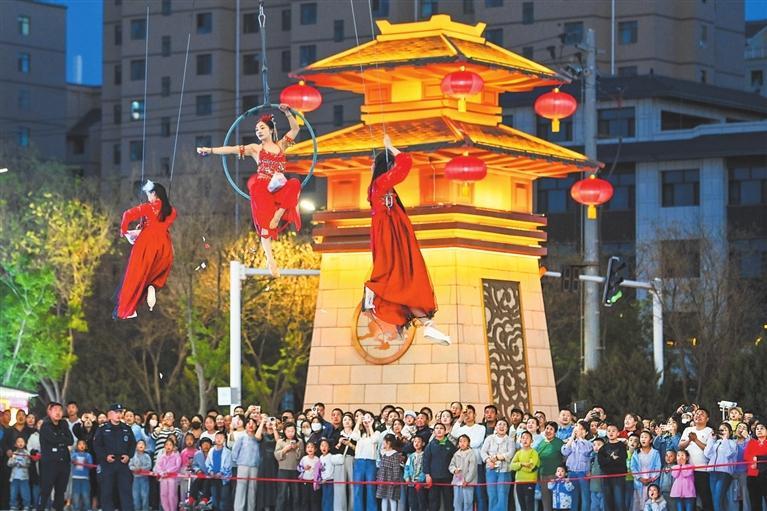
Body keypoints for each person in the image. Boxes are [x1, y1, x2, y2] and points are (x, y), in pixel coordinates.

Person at [362, 134, 450, 345]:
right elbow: (406, 163)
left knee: (403, 284)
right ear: (388, 167)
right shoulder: (381, 184)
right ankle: (370, 298)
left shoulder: (378, 186)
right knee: (398, 280)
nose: (371, 166)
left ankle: (428, 325)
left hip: (388, 237)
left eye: (374, 163)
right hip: (391, 239)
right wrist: (391, 147)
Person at [196, 104, 301, 277]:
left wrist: (287, 113)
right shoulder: (255, 148)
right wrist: (211, 150)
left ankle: (278, 215)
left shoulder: (282, 145)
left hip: (279, 187)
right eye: (256, 130)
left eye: (262, 128)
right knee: (263, 222)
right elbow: (231, 149)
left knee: (295, 183)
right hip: (264, 188)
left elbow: (295, 128)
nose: (258, 131)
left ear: (271, 130)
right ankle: (270, 259)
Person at [115, 180, 177, 319]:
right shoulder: (172, 211)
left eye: (149, 194)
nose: (148, 197)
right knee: (156, 272)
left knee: (136, 274)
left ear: (154, 194)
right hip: (164, 245)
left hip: (147, 244)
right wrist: (144, 224)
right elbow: (160, 223)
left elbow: (127, 215)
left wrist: (123, 230)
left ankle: (128, 309)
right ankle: (152, 286)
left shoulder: (149, 208)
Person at [93, 403, 136, 511]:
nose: (119, 414)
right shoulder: (103, 429)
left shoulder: (126, 428)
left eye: (120, 412)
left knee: (126, 492)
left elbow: (132, 444)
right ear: (110, 414)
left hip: (122, 464)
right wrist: (105, 456)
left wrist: (129, 455)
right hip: (108, 464)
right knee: (106, 492)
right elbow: (97, 445)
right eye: (116, 412)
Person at [38, 402, 75, 511]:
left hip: (64, 463)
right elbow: (53, 439)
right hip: (49, 464)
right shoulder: (45, 426)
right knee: (45, 491)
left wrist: (60, 440)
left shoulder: (64, 424)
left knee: (60, 491)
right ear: (49, 411)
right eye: (55, 410)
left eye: (60, 410)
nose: (58, 412)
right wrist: (62, 440)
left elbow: (71, 440)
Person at [678, 408, 714, 511]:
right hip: (687, 470)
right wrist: (689, 440)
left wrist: (696, 440)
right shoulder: (688, 430)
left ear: (707, 419)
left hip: (703, 470)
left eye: (702, 414)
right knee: (689, 499)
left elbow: (709, 450)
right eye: (697, 413)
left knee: (705, 498)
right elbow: (680, 446)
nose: (698, 415)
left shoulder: (709, 431)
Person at [481, 417, 515, 511]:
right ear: (495, 427)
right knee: (492, 494)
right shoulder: (489, 438)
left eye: (504, 425)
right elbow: (483, 452)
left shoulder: (510, 440)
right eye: (499, 424)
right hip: (490, 470)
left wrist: (498, 457)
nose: (502, 426)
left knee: (502, 495)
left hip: (505, 471)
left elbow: (511, 453)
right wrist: (488, 460)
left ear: (507, 428)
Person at [231, 416, 264, 511]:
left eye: (253, 423)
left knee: (252, 489)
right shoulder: (241, 437)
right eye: (249, 423)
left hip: (255, 466)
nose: (251, 425)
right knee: (241, 488)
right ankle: (238, 509)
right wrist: (236, 462)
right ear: (245, 425)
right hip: (242, 465)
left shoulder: (258, 437)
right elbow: (235, 451)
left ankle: (251, 508)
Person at [351, 412, 381, 511]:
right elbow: (353, 436)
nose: (366, 420)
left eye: (369, 417)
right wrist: (358, 422)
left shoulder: (376, 432)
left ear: (372, 419)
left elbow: (374, 440)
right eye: (364, 418)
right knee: (357, 488)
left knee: (371, 488)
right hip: (359, 462)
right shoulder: (360, 433)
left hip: (370, 462)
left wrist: (370, 426)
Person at [705, 423, 737, 511]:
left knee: (718, 500)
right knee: (715, 500)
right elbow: (707, 454)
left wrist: (725, 439)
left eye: (725, 429)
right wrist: (711, 439)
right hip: (712, 472)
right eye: (721, 429)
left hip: (724, 473)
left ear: (730, 432)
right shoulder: (716, 442)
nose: (722, 431)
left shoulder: (732, 443)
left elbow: (729, 454)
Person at [562, 420, 593, 511]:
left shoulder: (589, 443)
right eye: (577, 428)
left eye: (581, 429)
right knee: (573, 496)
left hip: (583, 472)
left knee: (585, 496)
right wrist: (572, 437)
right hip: (571, 472)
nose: (578, 430)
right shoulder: (571, 442)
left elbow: (585, 451)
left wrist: (580, 438)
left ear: (586, 432)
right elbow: (564, 451)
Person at [598, 423, 628, 511]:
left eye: (613, 431)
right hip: (606, 477)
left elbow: (622, 460)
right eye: (609, 431)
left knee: (619, 500)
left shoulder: (622, 446)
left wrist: (608, 460)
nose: (611, 433)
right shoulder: (603, 448)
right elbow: (601, 462)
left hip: (619, 477)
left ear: (618, 433)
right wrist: (612, 459)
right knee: (608, 501)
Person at [274, 422, 303, 510]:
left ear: (295, 431)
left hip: (295, 470)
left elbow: (301, 456)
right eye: (288, 431)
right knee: (282, 494)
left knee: (296, 494)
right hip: (283, 470)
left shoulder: (299, 441)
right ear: (284, 431)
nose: (290, 433)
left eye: (292, 431)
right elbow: (276, 455)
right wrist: (284, 450)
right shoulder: (280, 441)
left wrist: (296, 448)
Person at [631, 430, 662, 511]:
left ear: (651, 440)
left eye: (645, 437)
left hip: (651, 482)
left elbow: (658, 467)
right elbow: (633, 467)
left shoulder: (655, 453)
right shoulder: (636, 453)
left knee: (651, 503)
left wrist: (650, 479)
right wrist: (640, 478)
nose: (643, 439)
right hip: (639, 482)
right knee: (638, 503)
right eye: (641, 437)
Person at [538, 422, 566, 511]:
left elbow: (565, 457)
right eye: (547, 428)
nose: (548, 431)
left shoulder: (559, 442)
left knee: (556, 500)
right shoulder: (542, 443)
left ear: (555, 432)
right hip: (543, 475)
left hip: (556, 475)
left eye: (551, 429)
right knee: (546, 499)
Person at [512, 430, 541, 511]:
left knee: (529, 503)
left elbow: (531, 468)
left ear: (531, 441)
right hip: (519, 481)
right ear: (520, 440)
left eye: (527, 438)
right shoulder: (518, 453)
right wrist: (522, 464)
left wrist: (519, 466)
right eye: (523, 438)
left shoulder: (534, 453)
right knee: (522, 504)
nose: (525, 440)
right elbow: (512, 466)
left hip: (530, 481)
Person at [449, 434, 478, 511]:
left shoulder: (471, 454)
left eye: (464, 441)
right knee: (457, 502)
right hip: (457, 481)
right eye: (460, 441)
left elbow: (472, 469)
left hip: (468, 483)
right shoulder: (456, 454)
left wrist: (467, 480)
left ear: (468, 443)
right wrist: (454, 470)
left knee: (468, 502)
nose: (462, 443)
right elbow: (451, 465)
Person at [205, 431, 232, 511]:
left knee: (223, 499)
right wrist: (210, 471)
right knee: (214, 498)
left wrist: (221, 473)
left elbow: (228, 465)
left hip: (224, 479)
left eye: (221, 438)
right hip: (213, 478)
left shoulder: (227, 452)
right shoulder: (211, 450)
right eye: (217, 437)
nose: (219, 439)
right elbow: (208, 463)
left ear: (224, 440)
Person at [376, 434, 403, 511]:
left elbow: (396, 469)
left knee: (392, 498)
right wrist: (378, 477)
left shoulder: (395, 454)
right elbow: (381, 467)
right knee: (383, 498)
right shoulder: (383, 453)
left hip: (391, 479)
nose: (383, 444)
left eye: (384, 442)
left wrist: (395, 480)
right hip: (383, 478)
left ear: (389, 443)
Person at [743, 423, 767, 511]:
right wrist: (753, 458)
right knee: (755, 502)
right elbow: (746, 456)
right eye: (757, 429)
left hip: (765, 475)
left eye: (762, 428)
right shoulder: (752, 442)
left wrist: (757, 457)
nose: (759, 430)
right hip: (753, 475)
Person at [155, 439, 181, 511]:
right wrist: (161, 473)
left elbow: (177, 466)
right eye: (166, 445)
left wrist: (168, 471)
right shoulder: (162, 456)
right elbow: (158, 465)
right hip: (163, 478)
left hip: (172, 478)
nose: (168, 446)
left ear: (173, 446)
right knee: (163, 495)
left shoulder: (176, 455)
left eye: (170, 445)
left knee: (172, 495)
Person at [404, 436, 429, 511]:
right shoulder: (411, 456)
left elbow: (426, 468)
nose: (416, 443)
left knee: (421, 502)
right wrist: (406, 477)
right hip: (411, 483)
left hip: (421, 483)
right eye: (415, 441)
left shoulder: (425, 455)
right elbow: (406, 467)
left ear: (423, 443)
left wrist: (420, 479)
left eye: (419, 441)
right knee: (412, 503)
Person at [8, 436, 31, 511]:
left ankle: (26, 506)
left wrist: (22, 464)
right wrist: (14, 462)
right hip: (14, 477)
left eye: (22, 442)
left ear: (25, 443)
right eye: (18, 442)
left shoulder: (27, 453)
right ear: (15, 444)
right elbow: (9, 463)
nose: (20, 443)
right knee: (13, 493)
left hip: (24, 477)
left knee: (25, 493)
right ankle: (13, 505)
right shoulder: (14, 453)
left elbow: (28, 464)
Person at [129, 440, 152, 511]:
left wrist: (141, 469)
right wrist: (134, 469)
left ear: (145, 447)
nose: (141, 445)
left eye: (143, 444)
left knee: (145, 496)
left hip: (144, 478)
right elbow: (130, 465)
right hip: (135, 478)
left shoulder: (147, 456)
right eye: (139, 444)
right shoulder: (133, 456)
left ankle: (145, 509)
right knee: (135, 496)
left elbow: (149, 466)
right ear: (136, 446)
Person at [298, 441, 321, 511]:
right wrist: (304, 468)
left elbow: (320, 471)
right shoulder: (304, 458)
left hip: (314, 482)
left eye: (312, 447)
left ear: (315, 449)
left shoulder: (317, 459)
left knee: (314, 500)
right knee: (305, 499)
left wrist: (318, 480)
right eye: (308, 447)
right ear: (306, 449)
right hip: (305, 481)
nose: (310, 449)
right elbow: (298, 468)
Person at [70, 440, 93, 511]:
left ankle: (87, 508)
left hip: (85, 478)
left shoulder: (88, 455)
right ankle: (76, 508)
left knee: (85, 494)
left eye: (83, 444)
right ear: (77, 446)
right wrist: (74, 461)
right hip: (75, 477)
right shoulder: (74, 454)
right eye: (79, 444)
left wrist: (87, 463)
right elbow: (70, 461)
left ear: (86, 446)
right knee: (76, 494)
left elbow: (91, 466)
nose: (81, 445)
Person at [590, 437, 605, 511]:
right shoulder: (592, 457)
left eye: (599, 445)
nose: (596, 447)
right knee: (594, 506)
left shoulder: (605, 457)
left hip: (603, 487)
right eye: (594, 445)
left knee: (603, 506)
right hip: (593, 486)